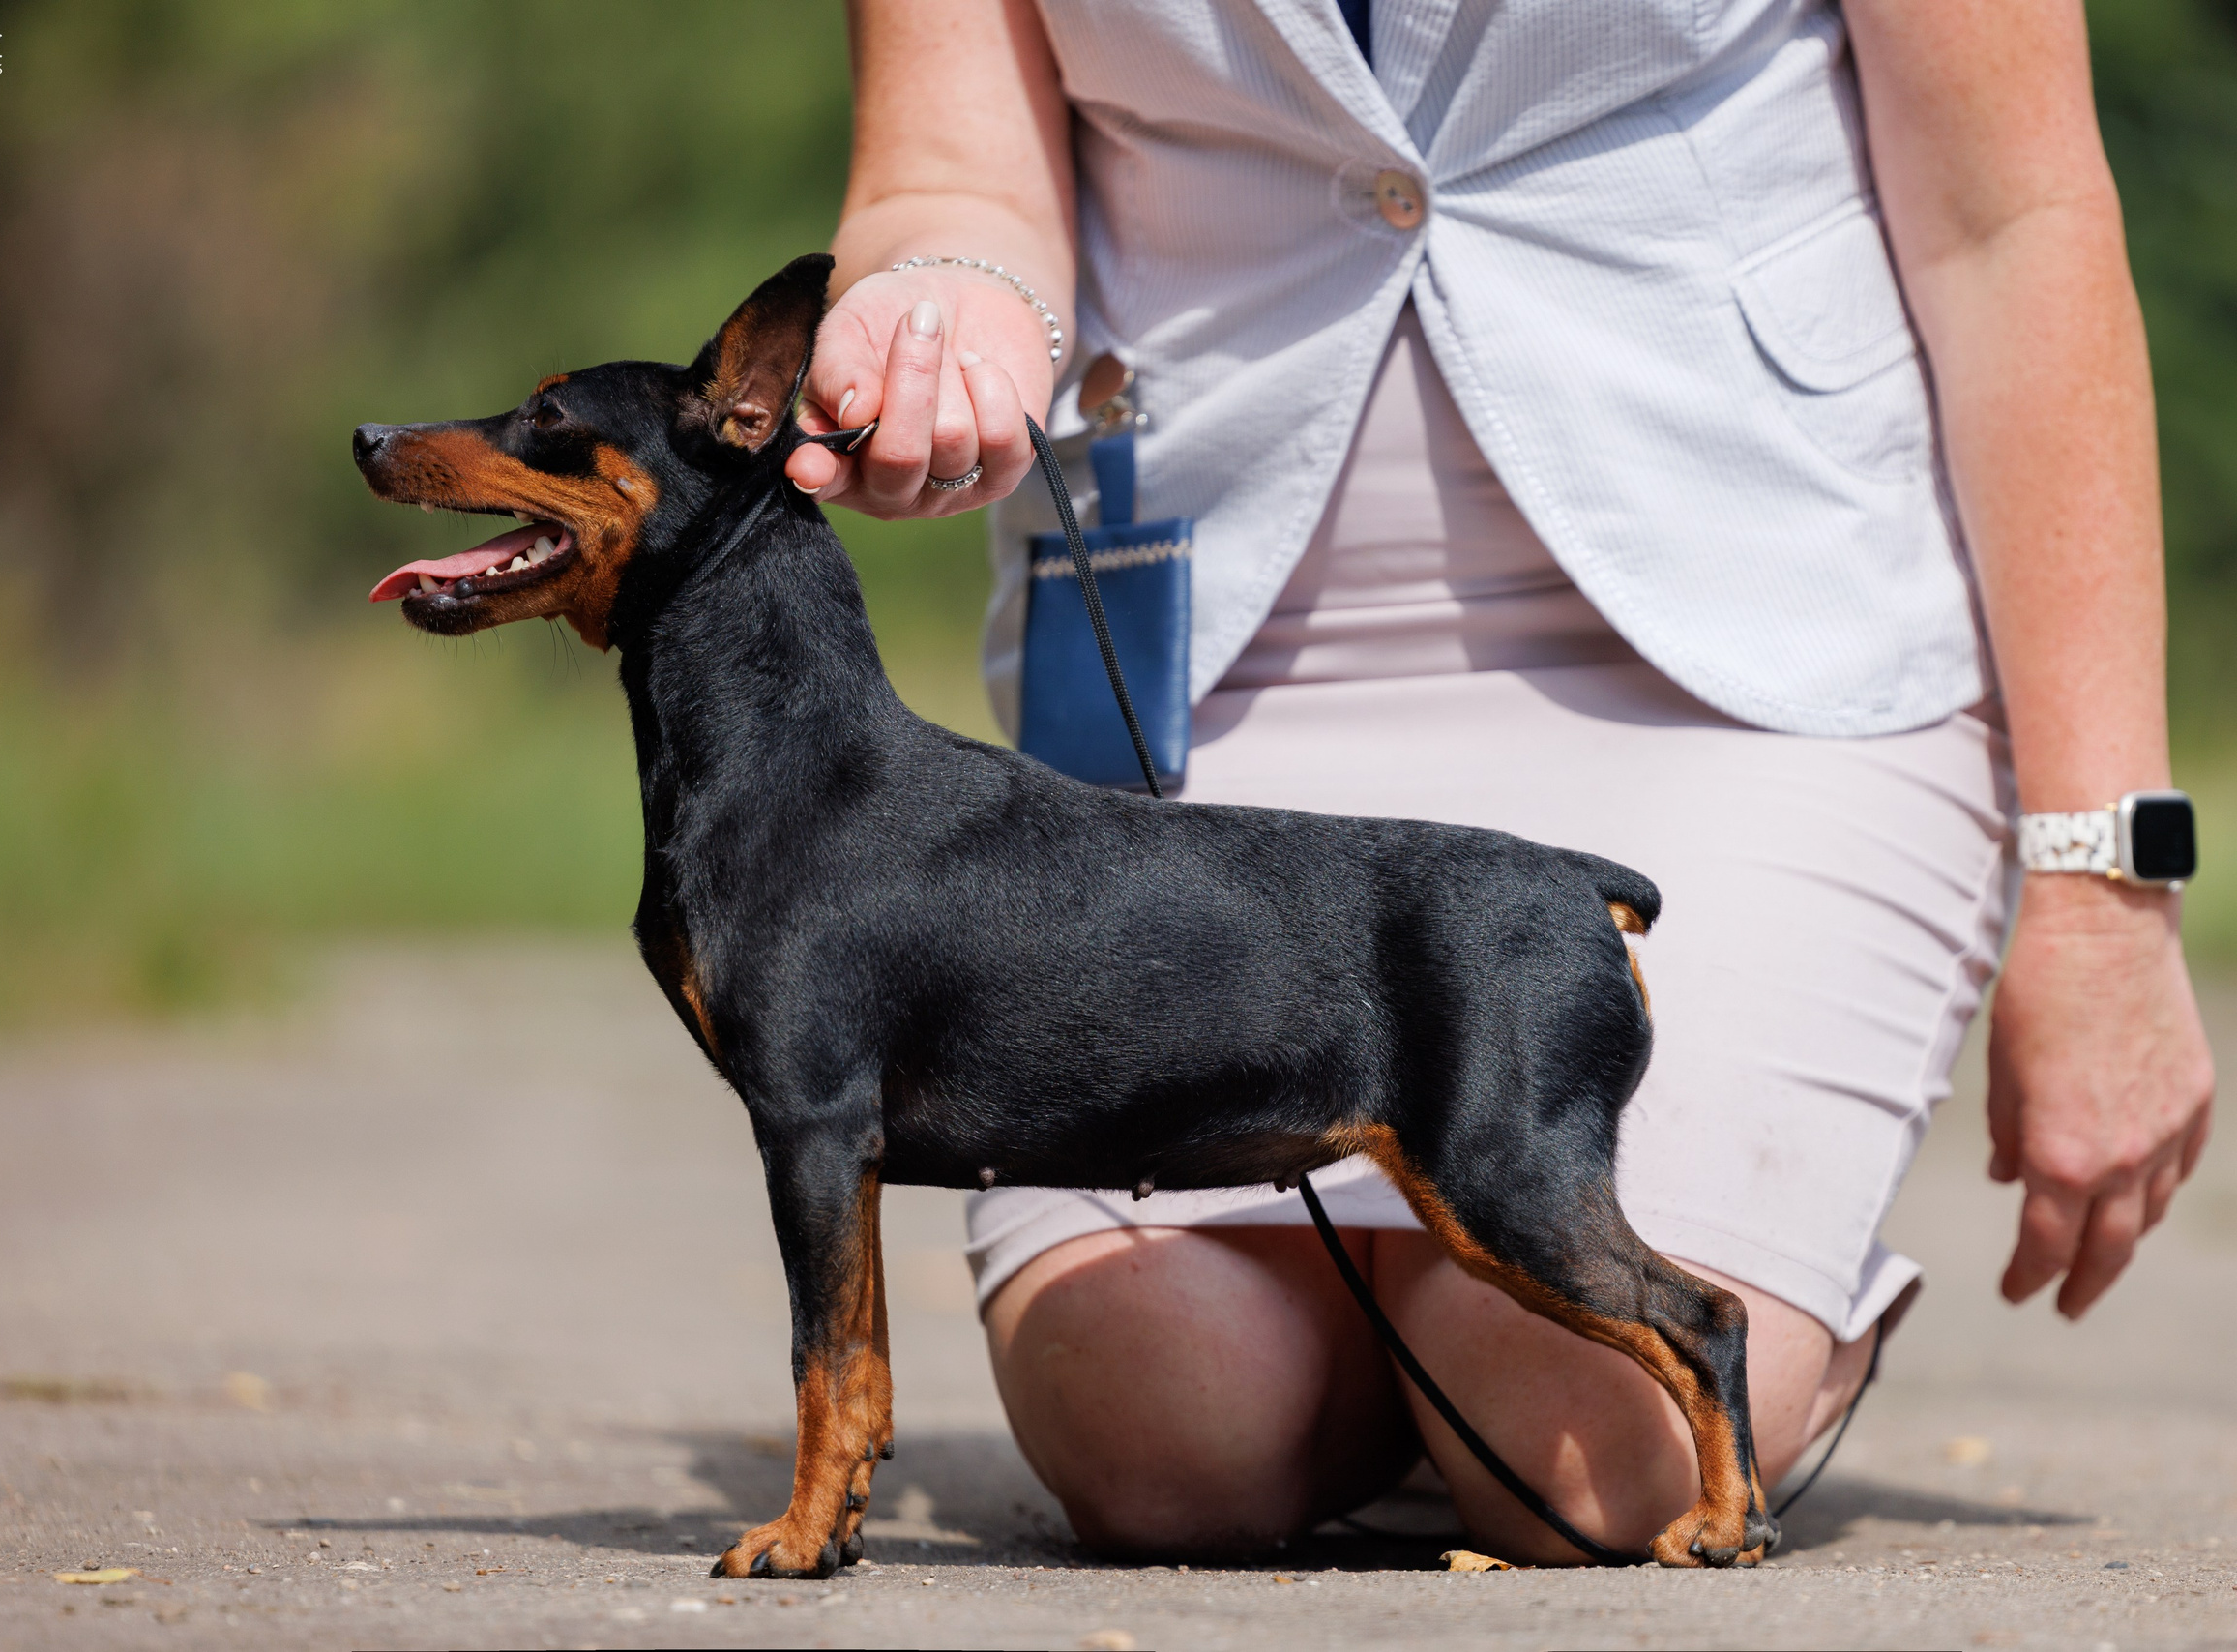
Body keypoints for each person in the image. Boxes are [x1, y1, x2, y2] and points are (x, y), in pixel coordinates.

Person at [782, 0, 2215, 1564]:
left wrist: (2104, 885)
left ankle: (1607, 1316)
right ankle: (1428, 1311)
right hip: (1218, 663)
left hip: (1760, 660)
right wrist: (949, 288)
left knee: (1594, 1455)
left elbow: (2014, 223)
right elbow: (949, 171)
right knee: (1159, 1428)